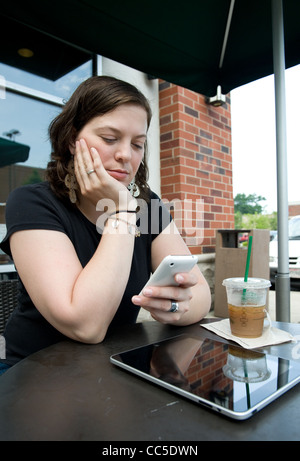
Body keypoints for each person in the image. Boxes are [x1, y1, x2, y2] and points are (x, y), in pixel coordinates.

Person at [0, 76, 211, 375]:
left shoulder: (148, 206)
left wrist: (179, 305)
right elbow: (86, 326)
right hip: (30, 372)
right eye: (110, 139)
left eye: (137, 144)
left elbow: (201, 292)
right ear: (73, 139)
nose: (126, 155)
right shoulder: (33, 202)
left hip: (111, 369)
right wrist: (122, 211)